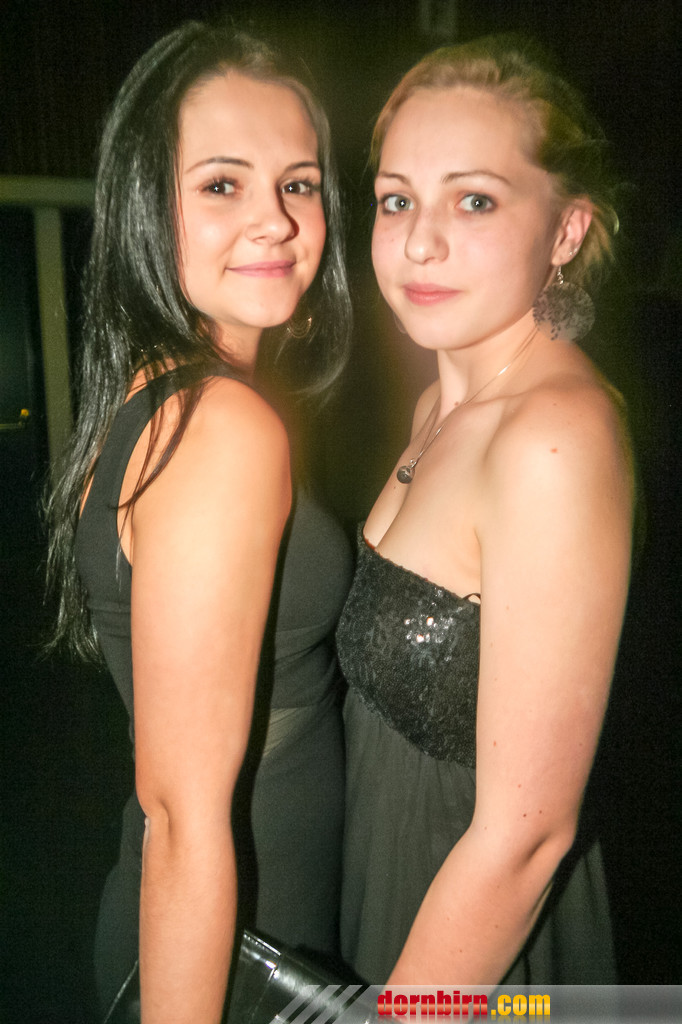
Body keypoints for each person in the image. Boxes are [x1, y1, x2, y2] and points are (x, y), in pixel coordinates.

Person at [45, 20, 351, 1023]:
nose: (275, 220)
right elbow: (183, 817)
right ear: (144, 202)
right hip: (231, 963)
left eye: (299, 183)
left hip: (213, 933)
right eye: (222, 184)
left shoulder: (154, 393)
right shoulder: (219, 424)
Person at [336, 35, 633, 985]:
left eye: (474, 200)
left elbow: (527, 838)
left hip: (476, 954)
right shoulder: (439, 404)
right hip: (391, 874)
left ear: (567, 231)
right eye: (397, 200)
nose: (420, 241)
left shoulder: (554, 441)